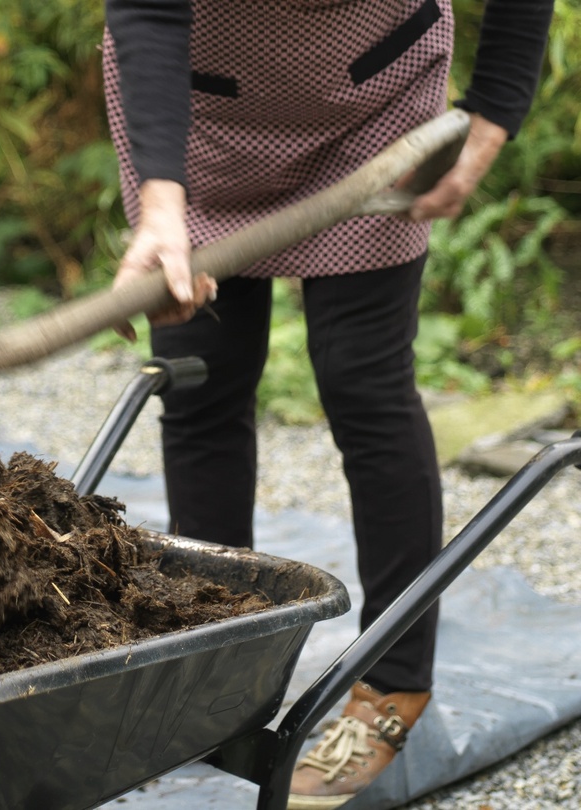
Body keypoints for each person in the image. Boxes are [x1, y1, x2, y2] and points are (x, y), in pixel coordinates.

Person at [100, 0, 554, 806]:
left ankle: (391, 689)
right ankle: (216, 672)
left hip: (373, 103)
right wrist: (162, 206)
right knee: (202, 383)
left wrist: (493, 116)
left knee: (365, 385)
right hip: (198, 118)